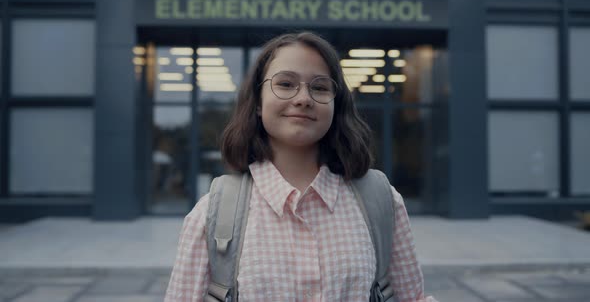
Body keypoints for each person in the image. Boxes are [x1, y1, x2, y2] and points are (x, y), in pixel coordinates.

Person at [165, 32, 437, 302]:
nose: (304, 98)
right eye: (285, 84)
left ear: (335, 104)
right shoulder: (212, 213)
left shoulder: (381, 200)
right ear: (258, 102)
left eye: (319, 87)